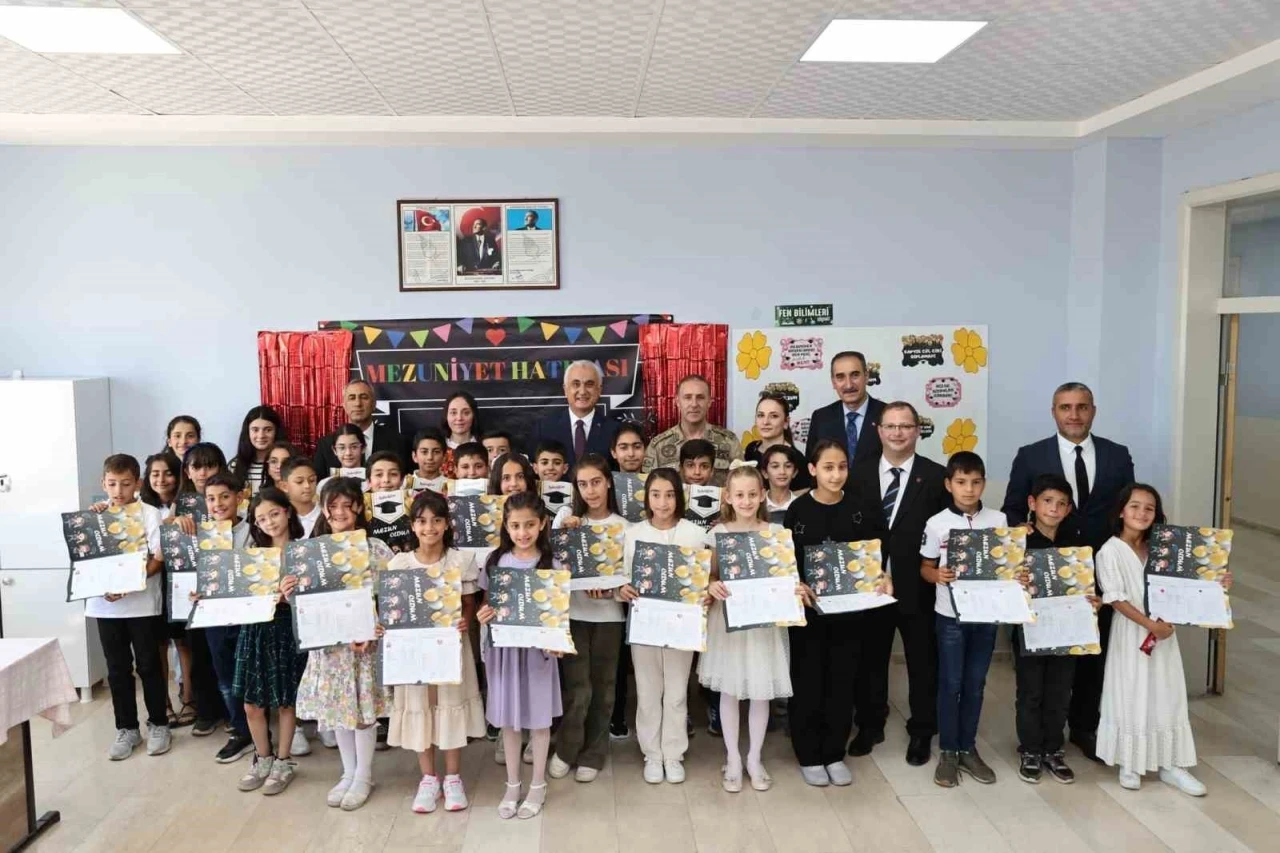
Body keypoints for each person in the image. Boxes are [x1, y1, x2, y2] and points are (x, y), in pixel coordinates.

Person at [1001, 381, 1134, 762]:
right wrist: (1023, 538)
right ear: (1054, 412)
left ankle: (1084, 728)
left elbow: (1126, 509)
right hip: (1045, 572)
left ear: (1093, 410)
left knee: (1092, 653)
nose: (1074, 415)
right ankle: (1036, 740)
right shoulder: (1031, 455)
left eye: (1082, 407)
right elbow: (1012, 508)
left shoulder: (1117, 455)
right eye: (1065, 407)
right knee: (1042, 661)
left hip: (1100, 571)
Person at [1095, 484, 1221, 796]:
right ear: (1121, 511)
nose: (1142, 513)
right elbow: (1115, 598)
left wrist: (1217, 580)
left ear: (1157, 514)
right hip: (1131, 634)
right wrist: (1149, 624)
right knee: (1130, 690)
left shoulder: (1163, 549)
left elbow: (1186, 585)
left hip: (1163, 635)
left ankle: (1171, 764)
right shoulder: (1109, 550)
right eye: (1135, 506)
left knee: (1167, 692)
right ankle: (1129, 762)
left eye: (1149, 508)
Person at [848, 401, 947, 766]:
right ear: (878, 430)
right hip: (870, 586)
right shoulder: (857, 472)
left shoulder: (936, 477)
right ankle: (870, 724)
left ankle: (922, 730)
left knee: (922, 661)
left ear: (917, 430)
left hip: (917, 586)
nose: (897, 433)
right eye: (890, 426)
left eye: (905, 426)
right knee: (870, 660)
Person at [287, 478, 392, 811]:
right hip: (329, 647)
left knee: (363, 711)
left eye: (347, 505)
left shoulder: (375, 548)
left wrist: (376, 627)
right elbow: (305, 602)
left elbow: (392, 597)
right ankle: (348, 772)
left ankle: (364, 775)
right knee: (339, 710)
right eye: (332, 506)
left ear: (359, 507)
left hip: (362, 646)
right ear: (323, 509)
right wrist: (290, 593)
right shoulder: (312, 549)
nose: (340, 512)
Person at [784, 440, 883, 787]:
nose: (836, 474)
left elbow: (873, 558)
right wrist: (797, 583)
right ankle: (809, 754)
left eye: (841, 467)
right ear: (812, 470)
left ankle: (834, 752)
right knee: (808, 681)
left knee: (842, 681)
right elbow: (785, 561)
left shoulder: (859, 509)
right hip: (808, 614)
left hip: (849, 615)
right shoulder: (798, 510)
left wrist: (881, 578)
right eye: (828, 467)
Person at [382, 490, 485, 813]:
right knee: (420, 706)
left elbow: (469, 602)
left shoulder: (459, 561)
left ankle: (453, 777)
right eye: (422, 521)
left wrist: (465, 620)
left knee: (450, 704)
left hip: (450, 648)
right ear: (413, 526)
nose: (430, 528)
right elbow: (391, 609)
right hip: (414, 653)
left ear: (446, 524)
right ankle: (428, 778)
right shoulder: (399, 563)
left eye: (437, 520)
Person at [699, 462, 795, 794]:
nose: (746, 501)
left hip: (763, 623)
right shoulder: (717, 534)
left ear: (763, 495)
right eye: (739, 495)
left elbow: (786, 576)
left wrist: (793, 589)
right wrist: (711, 585)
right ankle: (732, 758)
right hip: (728, 622)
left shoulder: (776, 534)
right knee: (729, 690)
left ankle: (754, 757)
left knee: (759, 691)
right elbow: (709, 575)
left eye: (752, 494)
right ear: (728, 497)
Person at [920, 451, 1010, 788]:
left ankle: (967, 747)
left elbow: (1008, 566)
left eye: (975, 482)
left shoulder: (999, 520)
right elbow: (925, 567)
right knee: (951, 683)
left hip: (987, 616)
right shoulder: (937, 523)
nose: (969, 489)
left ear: (984, 484)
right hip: (951, 616)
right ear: (949, 485)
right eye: (961, 482)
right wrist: (937, 575)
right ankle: (948, 751)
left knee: (975, 683)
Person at [476, 492, 564, 820]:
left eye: (529, 525)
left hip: (539, 655)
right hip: (504, 652)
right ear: (505, 525)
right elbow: (487, 604)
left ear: (542, 524)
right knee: (509, 721)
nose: (523, 532)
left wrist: (556, 642)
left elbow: (558, 617)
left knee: (539, 720)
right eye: (515, 526)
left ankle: (538, 785)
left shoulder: (552, 564)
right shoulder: (496, 561)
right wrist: (483, 616)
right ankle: (512, 785)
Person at [616, 469, 706, 783]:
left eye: (669, 495)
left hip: (682, 626)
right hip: (646, 624)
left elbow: (703, 579)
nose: (663, 502)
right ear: (647, 497)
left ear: (679, 497)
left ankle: (673, 753)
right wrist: (622, 589)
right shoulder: (633, 533)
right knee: (648, 690)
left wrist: (704, 594)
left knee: (677, 691)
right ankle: (652, 754)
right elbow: (622, 576)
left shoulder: (695, 534)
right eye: (656, 495)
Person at [549, 454, 628, 783]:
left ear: (608, 482)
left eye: (596, 482)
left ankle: (594, 753)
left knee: (604, 688)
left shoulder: (624, 527)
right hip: (574, 614)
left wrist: (613, 590)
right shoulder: (568, 520)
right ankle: (566, 749)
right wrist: (565, 530)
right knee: (578, 689)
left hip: (609, 618)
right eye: (583, 484)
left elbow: (628, 577)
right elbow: (552, 566)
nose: (591, 490)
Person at [1014, 474, 1097, 785]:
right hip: (1030, 629)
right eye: (1047, 501)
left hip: (1067, 630)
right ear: (1032, 503)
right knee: (1031, 691)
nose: (1054, 508)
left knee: (1060, 691)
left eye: (1062, 503)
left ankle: (1053, 749)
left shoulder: (1076, 545)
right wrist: (1016, 580)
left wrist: (1093, 600)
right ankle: (1030, 749)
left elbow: (1087, 587)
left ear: (1069, 509)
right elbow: (1002, 582)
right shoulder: (1018, 541)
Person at [91, 454, 170, 760]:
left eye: (125, 484)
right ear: (103, 483)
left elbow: (158, 557)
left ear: (137, 483)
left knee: (149, 665)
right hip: (105, 606)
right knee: (117, 669)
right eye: (112, 484)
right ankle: (127, 729)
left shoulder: (149, 514)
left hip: (142, 604)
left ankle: (159, 724)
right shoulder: (96, 515)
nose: (118, 491)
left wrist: (130, 583)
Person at [234, 489, 309, 796]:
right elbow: (237, 594)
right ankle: (262, 758)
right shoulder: (252, 555)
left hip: (285, 628)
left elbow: (317, 596)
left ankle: (283, 761)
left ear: (287, 511)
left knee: (285, 699)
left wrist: (290, 596)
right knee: (251, 702)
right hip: (255, 629)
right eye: (262, 519)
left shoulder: (305, 551)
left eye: (274, 514)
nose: (270, 522)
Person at [170, 442, 232, 738]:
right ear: (187, 471)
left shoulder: (233, 497)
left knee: (227, 654)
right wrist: (175, 521)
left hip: (227, 589)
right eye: (197, 466)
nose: (203, 472)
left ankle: (232, 712)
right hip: (192, 590)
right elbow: (167, 537)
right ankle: (206, 711)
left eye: (210, 465)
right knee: (199, 652)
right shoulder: (180, 503)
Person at [200, 472, 256, 764]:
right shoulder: (202, 534)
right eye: (211, 498)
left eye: (224, 496)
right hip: (215, 616)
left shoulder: (254, 531)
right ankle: (240, 730)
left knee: (250, 672)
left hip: (248, 615)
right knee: (225, 676)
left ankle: (258, 730)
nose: (218, 504)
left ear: (239, 497)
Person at [139, 451, 193, 728]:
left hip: (182, 582)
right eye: (155, 474)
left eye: (168, 473)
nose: (161, 479)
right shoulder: (139, 508)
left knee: (183, 642)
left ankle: (189, 699)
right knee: (158, 644)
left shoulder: (189, 504)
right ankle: (164, 704)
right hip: (152, 584)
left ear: (179, 475)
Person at [643, 374, 742, 485]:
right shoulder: (658, 446)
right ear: (677, 401)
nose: (694, 404)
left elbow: (742, 484)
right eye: (687, 397)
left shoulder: (729, 442)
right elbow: (647, 487)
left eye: (700, 397)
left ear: (709, 402)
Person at [530, 360, 620, 467]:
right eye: (576, 384)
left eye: (589, 384)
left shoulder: (614, 430)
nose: (582, 391)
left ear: (599, 390)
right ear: (565, 390)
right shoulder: (544, 429)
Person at [806, 351, 885, 466]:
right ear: (833, 382)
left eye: (855, 375)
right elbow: (812, 465)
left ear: (866, 376)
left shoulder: (887, 414)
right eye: (840, 377)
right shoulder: (821, 418)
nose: (849, 385)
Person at [314, 380, 409, 473]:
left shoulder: (398, 442)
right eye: (352, 398)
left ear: (374, 404)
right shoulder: (325, 445)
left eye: (364, 397)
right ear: (344, 405)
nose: (358, 404)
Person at [743, 391, 811, 492]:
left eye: (774, 416)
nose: (765, 422)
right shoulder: (751, 449)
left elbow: (802, 497)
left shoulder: (797, 459)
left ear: (786, 422)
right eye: (761, 415)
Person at [229, 405, 283, 494]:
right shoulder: (234, 465)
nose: (261, 435)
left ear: (276, 432)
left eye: (268, 430)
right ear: (248, 432)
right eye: (255, 430)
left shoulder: (286, 463)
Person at [439, 391, 481, 477]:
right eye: (453, 413)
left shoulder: (483, 446)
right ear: (446, 416)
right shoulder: (438, 448)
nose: (459, 418)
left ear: (474, 415)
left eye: (466, 413)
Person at [316, 424, 367, 494]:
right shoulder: (324, 485)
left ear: (363, 448)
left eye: (354, 447)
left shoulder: (373, 482)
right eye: (342, 448)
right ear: (334, 450)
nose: (348, 453)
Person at [280, 457, 322, 537]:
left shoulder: (325, 513)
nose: (307, 486)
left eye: (312, 480)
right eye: (299, 482)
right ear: (284, 486)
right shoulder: (281, 518)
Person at [761, 445, 800, 523]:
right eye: (775, 466)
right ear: (765, 473)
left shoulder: (801, 505)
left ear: (795, 472)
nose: (782, 472)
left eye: (788, 466)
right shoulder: (757, 505)